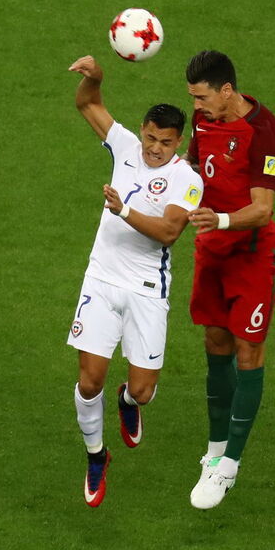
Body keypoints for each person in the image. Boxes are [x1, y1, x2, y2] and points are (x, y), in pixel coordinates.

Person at [66, 55, 204, 507]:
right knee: (89, 382)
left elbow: (168, 232)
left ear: (178, 142)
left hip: (147, 290)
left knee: (143, 390)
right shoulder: (125, 146)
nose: (153, 149)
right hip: (102, 279)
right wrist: (97, 79)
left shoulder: (188, 179)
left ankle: (127, 402)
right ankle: (96, 455)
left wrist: (122, 209)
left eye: (164, 142)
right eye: (149, 138)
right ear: (141, 130)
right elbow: (88, 105)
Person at [182, 50, 275, 510]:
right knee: (216, 344)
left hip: (250, 254)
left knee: (248, 350)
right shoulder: (203, 119)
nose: (197, 107)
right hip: (212, 250)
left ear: (227, 90)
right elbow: (191, 169)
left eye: (203, 98)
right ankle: (215, 450)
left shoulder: (263, 131)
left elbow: (263, 209)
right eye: (193, 98)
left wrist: (219, 222)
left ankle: (230, 466)